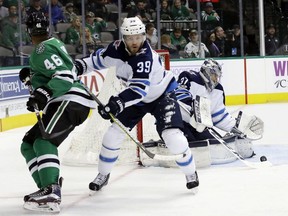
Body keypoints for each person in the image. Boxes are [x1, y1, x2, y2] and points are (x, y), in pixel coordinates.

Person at [74, 16, 199, 192]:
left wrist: (117, 103)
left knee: (173, 137)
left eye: (139, 37)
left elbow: (139, 90)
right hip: (137, 100)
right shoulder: (116, 49)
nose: (135, 42)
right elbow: (96, 61)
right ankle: (103, 175)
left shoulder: (145, 57)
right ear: (123, 38)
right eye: (131, 38)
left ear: (143, 36)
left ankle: (191, 173)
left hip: (162, 95)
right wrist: (78, 67)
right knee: (112, 134)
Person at [19, 11, 96, 213]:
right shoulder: (50, 46)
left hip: (69, 99)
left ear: (27, 30)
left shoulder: (42, 48)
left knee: (44, 141)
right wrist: (33, 78)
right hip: (67, 101)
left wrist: (43, 93)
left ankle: (51, 191)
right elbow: (56, 73)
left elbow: (63, 76)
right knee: (28, 144)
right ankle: (47, 186)